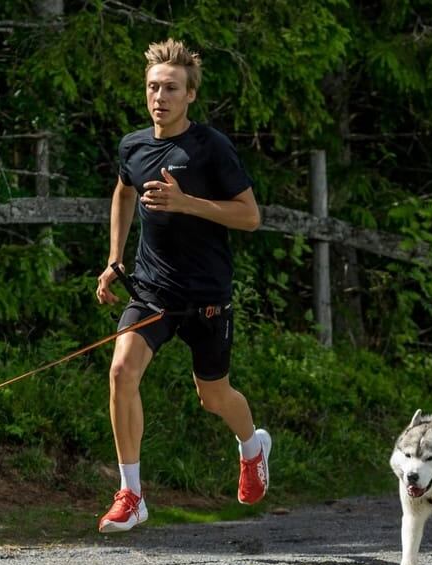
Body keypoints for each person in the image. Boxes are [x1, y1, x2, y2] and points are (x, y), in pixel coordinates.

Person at [93, 38, 269, 533]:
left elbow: (251, 217)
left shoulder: (210, 147)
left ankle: (252, 447)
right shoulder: (133, 146)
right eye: (152, 87)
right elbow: (123, 192)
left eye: (170, 88)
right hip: (151, 291)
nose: (159, 97)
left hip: (207, 297)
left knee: (213, 396)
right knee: (121, 371)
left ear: (190, 94)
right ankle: (131, 493)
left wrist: (188, 203)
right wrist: (114, 258)